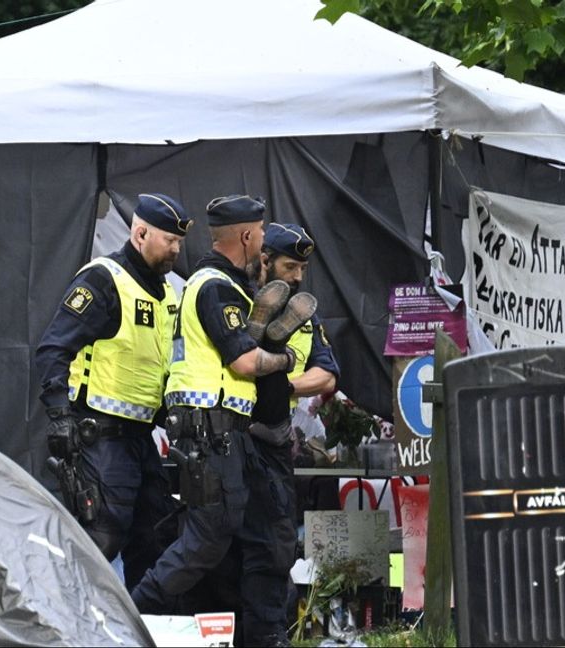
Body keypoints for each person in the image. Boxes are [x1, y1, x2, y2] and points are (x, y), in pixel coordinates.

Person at [129, 195, 312, 623]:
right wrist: (283, 361)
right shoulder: (214, 286)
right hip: (209, 432)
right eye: (262, 233)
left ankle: (220, 627)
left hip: (221, 431)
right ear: (248, 235)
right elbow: (244, 364)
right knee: (207, 539)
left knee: (230, 536)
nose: (265, 240)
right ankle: (131, 614)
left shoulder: (225, 285)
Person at [34, 192, 193, 588]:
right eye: (168, 240)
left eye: (179, 242)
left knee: (155, 540)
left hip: (140, 438)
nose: (176, 249)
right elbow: (53, 348)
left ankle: (143, 630)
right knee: (99, 541)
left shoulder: (166, 293)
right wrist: (59, 417)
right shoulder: (104, 279)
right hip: (98, 438)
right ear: (140, 233)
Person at [237, 222, 340, 646]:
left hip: (275, 439)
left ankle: (268, 634)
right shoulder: (232, 299)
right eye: (290, 266)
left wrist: (288, 386)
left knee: (277, 542)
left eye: (302, 267)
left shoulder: (304, 314)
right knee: (223, 543)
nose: (299, 276)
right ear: (264, 261)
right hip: (231, 435)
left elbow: (328, 376)